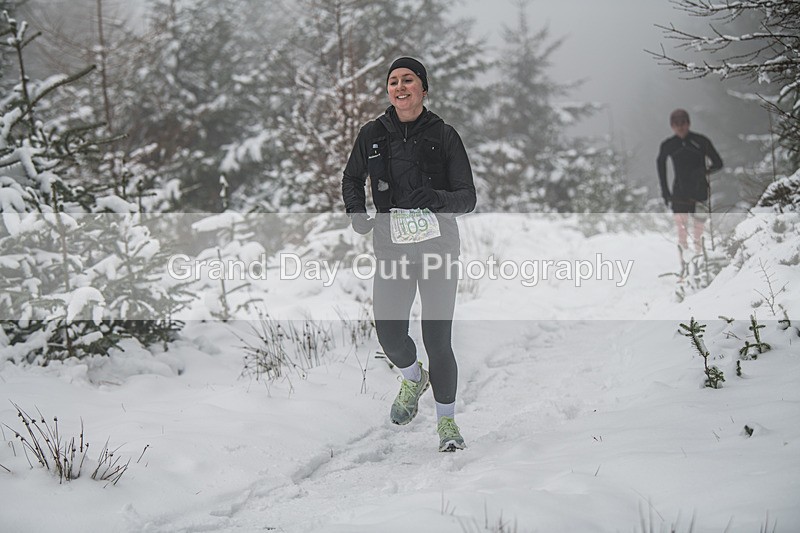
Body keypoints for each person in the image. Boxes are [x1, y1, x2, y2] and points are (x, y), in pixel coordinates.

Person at [341, 57, 476, 452]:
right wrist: (357, 214)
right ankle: (413, 378)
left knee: (438, 341)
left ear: (423, 88)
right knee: (389, 334)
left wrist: (435, 198)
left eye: (409, 80)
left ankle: (447, 424)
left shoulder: (445, 135)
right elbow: (352, 178)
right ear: (389, 91)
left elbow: (467, 198)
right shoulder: (372, 134)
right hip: (392, 248)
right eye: (394, 81)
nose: (400, 87)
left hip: (438, 250)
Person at [657, 108, 723, 255]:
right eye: (676, 124)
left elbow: (718, 163)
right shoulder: (669, 145)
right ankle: (684, 270)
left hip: (699, 192)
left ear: (688, 123)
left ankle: (701, 264)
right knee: (682, 234)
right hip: (679, 194)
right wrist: (665, 192)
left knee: (699, 234)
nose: (680, 127)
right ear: (671, 126)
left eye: (683, 123)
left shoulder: (701, 141)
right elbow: (660, 166)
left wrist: (703, 172)